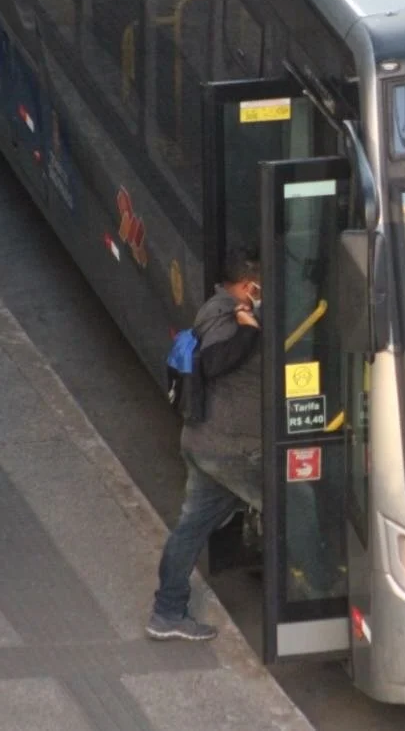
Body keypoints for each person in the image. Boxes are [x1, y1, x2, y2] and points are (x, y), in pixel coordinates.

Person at [147, 253, 264, 641]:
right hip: (234, 450)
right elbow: (213, 362)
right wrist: (248, 331)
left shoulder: (217, 308)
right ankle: (324, 594)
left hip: (207, 444)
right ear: (250, 286)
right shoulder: (227, 317)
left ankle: (166, 613)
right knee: (298, 513)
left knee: (190, 529)